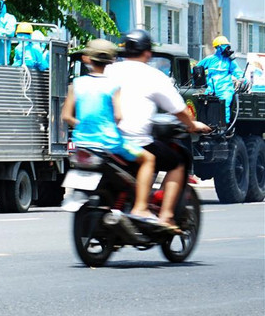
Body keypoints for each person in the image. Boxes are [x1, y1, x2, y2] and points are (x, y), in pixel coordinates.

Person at [107, 29, 211, 230]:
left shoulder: (109, 70)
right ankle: (166, 216)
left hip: (105, 140)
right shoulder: (153, 76)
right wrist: (192, 125)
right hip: (133, 142)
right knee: (177, 162)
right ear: (148, 53)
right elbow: (179, 109)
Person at [62, 37, 142, 173]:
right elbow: (118, 116)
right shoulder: (114, 85)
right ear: (111, 61)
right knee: (148, 159)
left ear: (87, 59)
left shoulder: (77, 83)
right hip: (110, 143)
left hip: (80, 143)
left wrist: (84, 125)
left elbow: (66, 116)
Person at [199, 36, 244, 123]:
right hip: (211, 89)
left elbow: (237, 71)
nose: (227, 48)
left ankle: (224, 125)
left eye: (227, 46)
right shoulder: (210, 59)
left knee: (224, 105)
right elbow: (197, 69)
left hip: (225, 89)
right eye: (225, 46)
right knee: (206, 106)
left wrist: (242, 78)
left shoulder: (230, 61)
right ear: (218, 47)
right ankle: (207, 124)